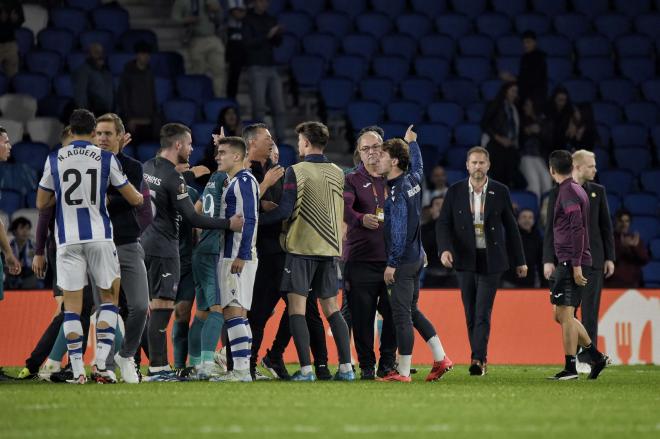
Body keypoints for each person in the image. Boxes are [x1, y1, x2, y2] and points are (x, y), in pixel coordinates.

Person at [35, 109, 144, 384]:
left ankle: (77, 370)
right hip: (100, 238)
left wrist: (61, 199)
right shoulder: (105, 158)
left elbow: (41, 203)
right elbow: (135, 199)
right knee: (110, 301)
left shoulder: (54, 158)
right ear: (93, 130)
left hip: (67, 240)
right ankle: (102, 366)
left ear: (71, 130)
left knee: (72, 308)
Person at [140, 123, 243, 381]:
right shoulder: (174, 179)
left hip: (146, 245)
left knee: (161, 309)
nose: (191, 149)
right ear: (177, 145)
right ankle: (159, 367)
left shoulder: (147, 167)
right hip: (165, 249)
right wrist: (227, 224)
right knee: (163, 309)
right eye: (188, 144)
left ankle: (163, 365)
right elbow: (193, 217)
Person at [259, 121, 354, 381]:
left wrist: (256, 220)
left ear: (307, 143)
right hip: (329, 250)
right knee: (332, 308)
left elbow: (285, 210)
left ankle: (306, 370)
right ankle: (346, 368)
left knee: (297, 310)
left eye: (300, 140)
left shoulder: (296, 171)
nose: (299, 144)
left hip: (301, 248)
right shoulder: (338, 172)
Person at [244, 123, 330, 381]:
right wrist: (264, 202)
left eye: (273, 139)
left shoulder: (275, 173)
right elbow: (242, 210)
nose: (273, 142)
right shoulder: (248, 172)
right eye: (267, 138)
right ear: (252, 144)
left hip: (283, 251)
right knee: (259, 312)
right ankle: (249, 365)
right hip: (262, 252)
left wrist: (277, 209)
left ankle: (282, 357)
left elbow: (283, 209)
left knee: (302, 308)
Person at [437, 146, 527, 376]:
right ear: (467, 165)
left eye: (481, 163)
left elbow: (512, 227)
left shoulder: (500, 190)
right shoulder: (455, 191)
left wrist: (520, 261)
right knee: (470, 311)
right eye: (473, 163)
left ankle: (478, 359)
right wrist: (445, 250)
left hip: (492, 259)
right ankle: (478, 356)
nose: (477, 167)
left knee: (482, 311)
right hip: (464, 258)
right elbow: (443, 224)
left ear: (488, 165)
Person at [375, 125, 453, 383]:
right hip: (418, 257)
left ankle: (404, 372)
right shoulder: (411, 181)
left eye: (383, 155)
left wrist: (392, 264)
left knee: (401, 316)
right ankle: (441, 358)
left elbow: (398, 232)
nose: (379, 159)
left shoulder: (397, 192)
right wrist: (413, 143)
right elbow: (419, 169)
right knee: (413, 311)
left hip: (405, 261)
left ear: (394, 161)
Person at [543, 149, 614, 372]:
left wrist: (577, 263)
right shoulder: (569, 191)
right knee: (562, 314)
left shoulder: (576, 192)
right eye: (591, 165)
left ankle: (575, 365)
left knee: (572, 313)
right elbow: (551, 229)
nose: (595, 169)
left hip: (578, 260)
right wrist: (548, 258)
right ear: (576, 166)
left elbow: (590, 228)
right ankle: (595, 355)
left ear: (552, 170)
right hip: (574, 258)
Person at [94, 113, 152, 383]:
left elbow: (131, 203)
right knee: (104, 309)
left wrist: (107, 198)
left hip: (127, 241)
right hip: (98, 245)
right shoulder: (87, 166)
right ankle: (103, 365)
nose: (102, 138)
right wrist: (115, 195)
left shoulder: (134, 166)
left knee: (140, 305)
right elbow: (119, 199)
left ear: (120, 136)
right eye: (99, 134)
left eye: (108, 134)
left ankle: (125, 355)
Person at [343, 127, 397, 380]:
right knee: (362, 317)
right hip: (360, 259)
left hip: (391, 260)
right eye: (366, 148)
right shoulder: (351, 179)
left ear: (384, 148)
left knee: (394, 314)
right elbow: (344, 208)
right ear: (359, 153)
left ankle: (387, 364)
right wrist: (360, 218)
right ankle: (366, 365)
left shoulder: (395, 178)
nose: (372, 152)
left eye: (376, 147)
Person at [206, 136, 259, 382]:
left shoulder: (244, 182)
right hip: (233, 254)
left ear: (237, 156)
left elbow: (250, 219)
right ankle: (240, 369)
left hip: (236, 255)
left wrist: (242, 254)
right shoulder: (236, 181)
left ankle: (239, 371)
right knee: (236, 312)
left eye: (223, 152)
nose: (218, 156)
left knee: (233, 312)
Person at [242, 0, 286, 141]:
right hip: (256, 66)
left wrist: (278, 34)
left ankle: (281, 140)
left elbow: (277, 43)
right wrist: (267, 35)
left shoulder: (270, 19)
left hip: (271, 66)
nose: (264, 4)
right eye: (261, 1)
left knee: (279, 107)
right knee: (259, 107)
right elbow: (247, 43)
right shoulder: (248, 20)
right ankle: (259, 140)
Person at [171, 0, 226, 97]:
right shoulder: (181, 1)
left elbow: (221, 18)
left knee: (219, 70)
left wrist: (217, 11)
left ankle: (218, 98)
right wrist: (186, 19)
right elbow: (175, 18)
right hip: (196, 39)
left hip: (213, 37)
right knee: (198, 72)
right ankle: (200, 98)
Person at [117, 41, 160, 144]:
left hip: (148, 119)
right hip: (133, 120)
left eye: (147, 54)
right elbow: (124, 97)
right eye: (143, 54)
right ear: (138, 55)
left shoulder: (150, 73)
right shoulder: (128, 73)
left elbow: (152, 96)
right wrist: (129, 118)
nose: (145, 57)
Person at [481, 82, 522, 189]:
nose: (515, 94)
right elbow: (485, 124)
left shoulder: (514, 108)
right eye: (512, 91)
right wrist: (499, 138)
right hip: (495, 144)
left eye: (516, 92)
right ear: (505, 91)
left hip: (509, 146)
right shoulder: (495, 105)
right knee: (499, 175)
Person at [605, 209, 650, 289]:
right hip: (613, 285)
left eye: (627, 221)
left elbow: (644, 259)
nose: (624, 224)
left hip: (634, 286)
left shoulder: (635, 239)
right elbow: (607, 259)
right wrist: (622, 247)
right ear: (615, 221)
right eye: (621, 221)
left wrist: (634, 247)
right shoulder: (609, 239)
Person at [518, 98, 553, 200]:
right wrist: (526, 131)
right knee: (534, 185)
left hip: (540, 157)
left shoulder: (543, 120)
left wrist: (539, 132)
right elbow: (517, 141)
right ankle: (532, 214)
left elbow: (549, 141)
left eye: (527, 105)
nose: (525, 108)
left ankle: (546, 213)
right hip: (526, 156)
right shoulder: (522, 120)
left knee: (547, 183)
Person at [502, 209, 544, 288]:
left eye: (530, 217)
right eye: (524, 217)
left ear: (534, 221)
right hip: (510, 281)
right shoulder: (510, 236)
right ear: (518, 220)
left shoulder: (538, 238)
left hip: (530, 282)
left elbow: (540, 262)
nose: (527, 220)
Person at [421, 196, 457, 288]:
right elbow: (424, 248)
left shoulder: (456, 229)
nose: (441, 207)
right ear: (431, 210)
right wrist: (439, 223)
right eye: (437, 204)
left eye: (444, 205)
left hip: (452, 277)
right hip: (432, 277)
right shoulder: (423, 229)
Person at [73, 43, 114, 116]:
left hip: (107, 113)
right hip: (92, 114)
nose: (99, 54)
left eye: (101, 52)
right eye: (96, 52)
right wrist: (85, 116)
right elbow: (80, 95)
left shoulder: (107, 72)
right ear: (89, 54)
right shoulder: (83, 71)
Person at [5, 217, 39, 289]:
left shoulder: (34, 246)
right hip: (11, 277)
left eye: (27, 229)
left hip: (28, 277)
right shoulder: (8, 246)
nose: (25, 231)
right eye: (21, 228)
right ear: (14, 231)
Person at [517, 30, 547, 109]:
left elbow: (534, 79)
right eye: (524, 43)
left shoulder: (539, 58)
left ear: (535, 42)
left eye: (528, 42)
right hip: (525, 96)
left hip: (536, 98)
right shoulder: (524, 58)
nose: (525, 45)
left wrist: (513, 78)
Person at [226, 0, 246, 99]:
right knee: (235, 71)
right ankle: (231, 98)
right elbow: (237, 15)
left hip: (249, 35)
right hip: (234, 39)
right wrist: (250, 12)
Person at [546, 86, 573, 150]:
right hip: (549, 147)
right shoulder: (548, 112)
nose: (562, 103)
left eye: (564, 100)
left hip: (563, 148)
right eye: (560, 100)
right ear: (554, 99)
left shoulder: (569, 113)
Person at [0, 0, 23, 78]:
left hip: (10, 44)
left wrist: (15, 20)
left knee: (12, 76)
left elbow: (20, 21)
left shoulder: (15, 3)